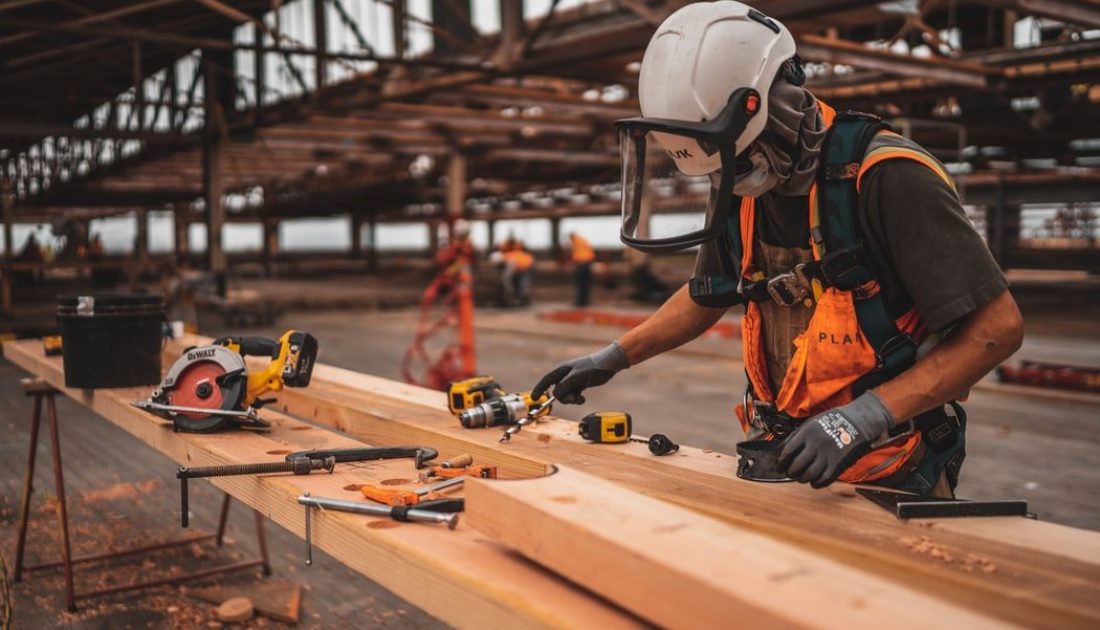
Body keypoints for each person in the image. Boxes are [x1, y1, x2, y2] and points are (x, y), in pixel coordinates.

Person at [532, 1, 1023, 498]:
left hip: (890, 463)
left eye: (740, 160)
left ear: (775, 108)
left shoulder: (887, 177)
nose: (731, 178)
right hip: (780, 455)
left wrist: (864, 417)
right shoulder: (737, 182)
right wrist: (614, 356)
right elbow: (708, 294)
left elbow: (997, 330)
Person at [569, 232, 596, 307]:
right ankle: (584, 301)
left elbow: (578, 254)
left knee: (581, 284)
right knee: (585, 284)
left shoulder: (576, 241)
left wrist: (575, 262)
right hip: (587, 263)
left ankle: (581, 302)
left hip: (582, 264)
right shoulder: (582, 240)